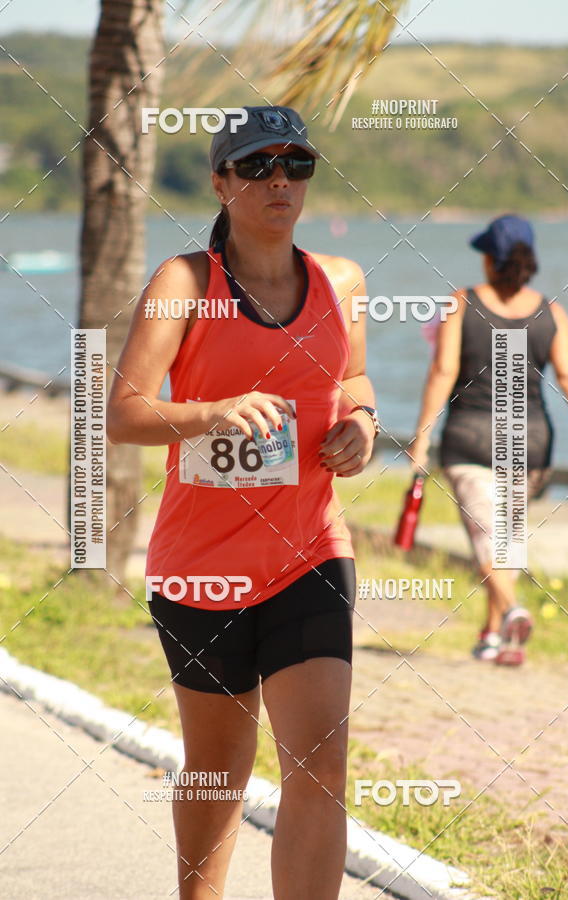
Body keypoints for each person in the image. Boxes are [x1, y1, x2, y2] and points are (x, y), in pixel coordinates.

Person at [107, 105, 379, 900]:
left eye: (297, 166)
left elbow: (354, 379)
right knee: (218, 771)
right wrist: (209, 413)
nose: (280, 182)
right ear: (222, 181)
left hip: (310, 553)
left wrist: (363, 422)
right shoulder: (184, 282)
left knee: (321, 760)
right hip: (203, 569)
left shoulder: (345, 281)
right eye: (258, 165)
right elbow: (122, 412)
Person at [409, 214, 568, 666]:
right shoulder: (551, 313)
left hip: (471, 440)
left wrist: (420, 441)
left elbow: (442, 372)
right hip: (530, 443)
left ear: (491, 262)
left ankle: (512, 611)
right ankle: (494, 637)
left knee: (489, 538)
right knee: (505, 538)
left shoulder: (461, 303)